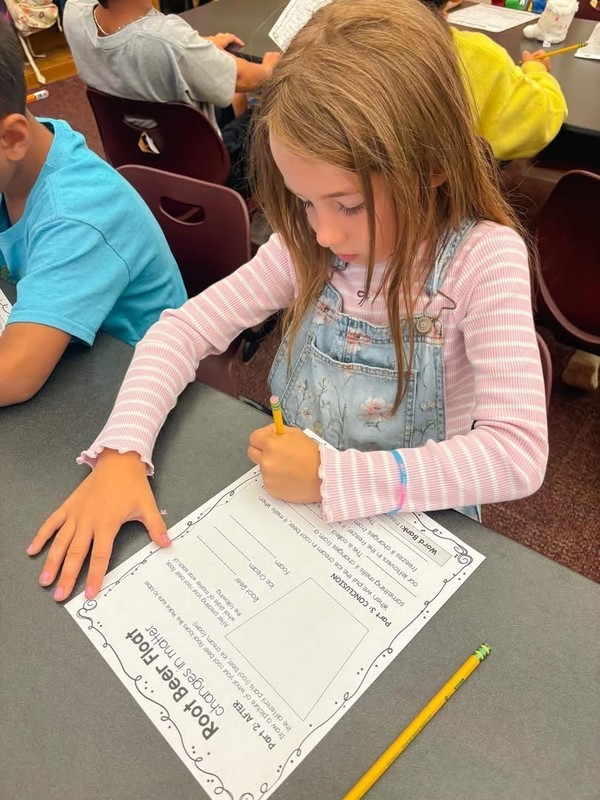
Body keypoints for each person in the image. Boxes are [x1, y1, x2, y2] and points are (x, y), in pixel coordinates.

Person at [29, 0, 548, 602]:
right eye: (305, 202)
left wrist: (333, 477)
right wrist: (122, 449)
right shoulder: (305, 244)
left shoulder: (483, 259)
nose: (322, 234)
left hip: (415, 536)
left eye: (347, 205)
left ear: (431, 166)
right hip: (295, 516)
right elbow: (180, 331)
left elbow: (516, 454)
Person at [0, 18, 187, 406]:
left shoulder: (76, 214)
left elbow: (13, 375)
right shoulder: (21, 158)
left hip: (136, 383)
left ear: (12, 138)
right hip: (76, 357)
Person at [63, 0, 280, 195]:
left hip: (139, 155)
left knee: (234, 96)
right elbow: (245, 78)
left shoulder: (74, 13)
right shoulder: (168, 39)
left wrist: (200, 49)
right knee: (279, 101)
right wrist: (271, 67)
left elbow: (155, 45)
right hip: (204, 172)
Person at [422, 0, 567, 161]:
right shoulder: (479, 55)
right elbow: (543, 119)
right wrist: (537, 70)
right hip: (466, 183)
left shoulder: (390, 47)